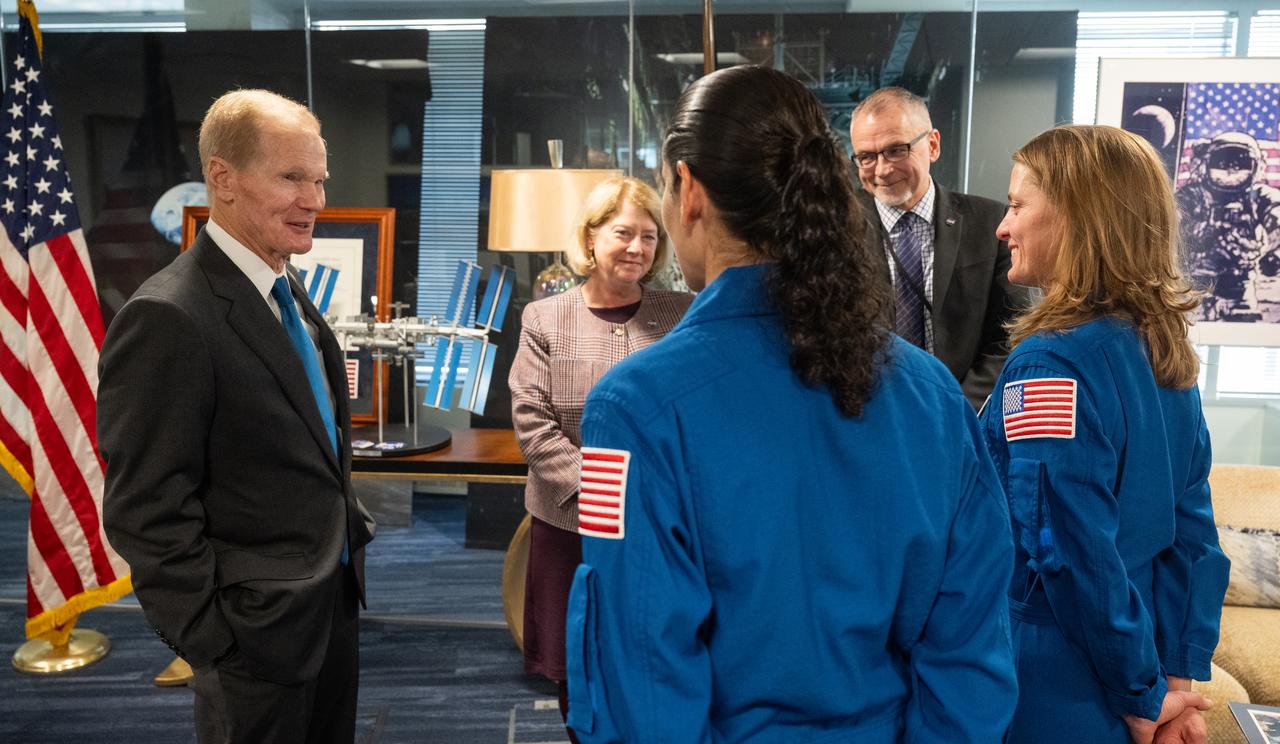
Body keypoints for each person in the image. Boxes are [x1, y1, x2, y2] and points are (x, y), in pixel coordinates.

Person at [565, 65, 1017, 743]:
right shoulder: (933, 399)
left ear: (689, 191)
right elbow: (971, 650)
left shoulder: (631, 412)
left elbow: (643, 675)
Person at [99, 89, 376, 744]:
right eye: (291, 177)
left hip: (327, 608)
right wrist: (216, 644)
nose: (315, 199)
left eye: (319, 180)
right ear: (222, 178)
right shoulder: (168, 316)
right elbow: (145, 510)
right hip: (250, 642)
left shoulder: (283, 283)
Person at [979, 124, 1231, 744]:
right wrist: (1171, 683)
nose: (1002, 228)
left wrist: (1142, 700)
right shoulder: (1166, 355)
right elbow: (1194, 536)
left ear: (1075, 218)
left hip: (1054, 673)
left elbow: (1067, 546)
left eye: (1016, 205)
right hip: (1132, 662)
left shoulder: (1049, 363)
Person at [507, 175, 692, 736]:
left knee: (648, 651)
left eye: (649, 236)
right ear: (590, 239)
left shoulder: (683, 313)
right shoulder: (545, 318)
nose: (637, 248)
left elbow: (693, 413)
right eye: (622, 233)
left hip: (658, 523)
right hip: (568, 521)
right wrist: (606, 494)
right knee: (575, 660)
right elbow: (532, 422)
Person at [850, 86, 1027, 409]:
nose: (882, 169)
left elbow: (1011, 333)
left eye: (896, 150)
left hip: (962, 417)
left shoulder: (991, 223)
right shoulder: (835, 229)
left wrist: (957, 410)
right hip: (868, 419)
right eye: (867, 157)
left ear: (932, 145)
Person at [1176, 130, 1280, 322]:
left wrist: (1272, 254)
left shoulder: (1260, 197)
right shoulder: (1192, 196)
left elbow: (1277, 219)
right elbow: (1169, 222)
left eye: (1240, 162)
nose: (1231, 169)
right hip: (1194, 287)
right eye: (1222, 162)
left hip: (1238, 287)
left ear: (1256, 166)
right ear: (1207, 164)